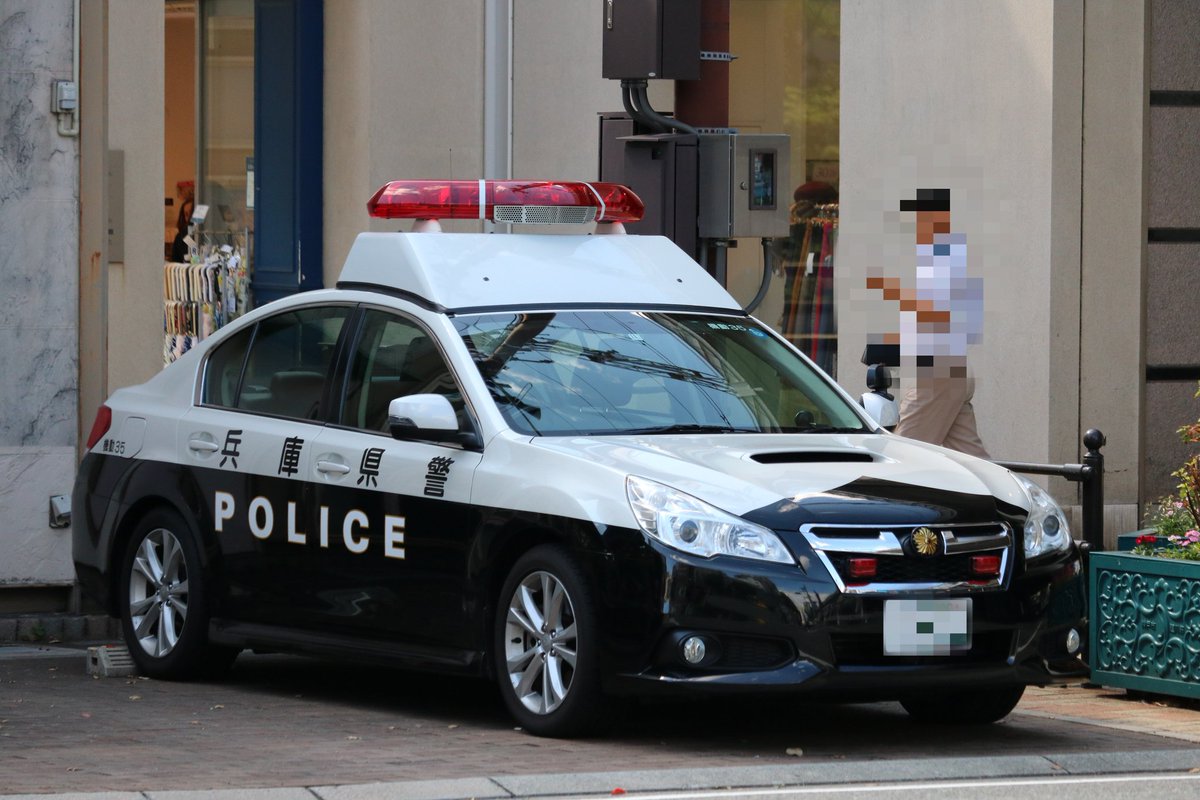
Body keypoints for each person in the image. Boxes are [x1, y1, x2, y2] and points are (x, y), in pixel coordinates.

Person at [866, 188, 988, 457]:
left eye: (920, 218)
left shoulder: (942, 255)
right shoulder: (948, 255)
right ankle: (999, 486)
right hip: (951, 368)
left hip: (937, 371)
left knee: (903, 455)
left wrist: (889, 288)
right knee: (972, 460)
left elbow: (937, 314)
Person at [170, 180, 195, 263]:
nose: (189, 217)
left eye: (191, 213)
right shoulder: (181, 237)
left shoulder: (202, 235)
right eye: (186, 214)